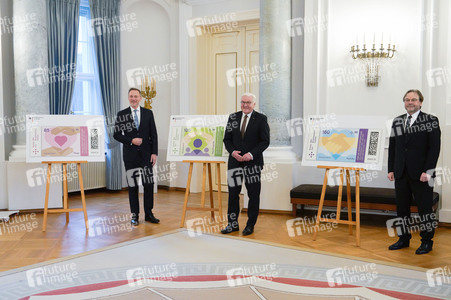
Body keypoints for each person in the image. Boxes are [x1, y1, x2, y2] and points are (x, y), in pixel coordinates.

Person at [387, 89, 441, 254]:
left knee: (425, 210)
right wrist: (391, 169)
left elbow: (434, 148)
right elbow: (393, 148)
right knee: (402, 209)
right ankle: (403, 239)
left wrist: (428, 171)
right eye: (407, 100)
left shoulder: (430, 120)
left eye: (414, 99)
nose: (410, 102)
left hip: (423, 175)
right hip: (401, 173)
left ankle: (426, 242)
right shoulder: (397, 121)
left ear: (420, 102)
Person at [221, 93, 270, 236]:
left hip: (253, 163)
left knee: (253, 195)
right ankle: (232, 224)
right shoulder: (233, 117)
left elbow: (264, 141)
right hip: (235, 162)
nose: (245, 105)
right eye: (243, 102)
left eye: (248, 102)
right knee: (233, 194)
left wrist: (251, 154)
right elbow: (227, 139)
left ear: (254, 104)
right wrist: (232, 152)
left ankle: (250, 225)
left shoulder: (261, 119)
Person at [114, 87, 159, 226]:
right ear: (128, 98)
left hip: (146, 156)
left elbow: (154, 134)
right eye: (131, 96)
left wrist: (154, 153)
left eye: (136, 96)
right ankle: (134, 215)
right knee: (132, 186)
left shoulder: (148, 113)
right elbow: (116, 134)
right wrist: (131, 141)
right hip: (130, 156)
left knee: (148, 184)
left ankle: (149, 214)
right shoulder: (122, 114)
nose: (133, 98)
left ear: (140, 98)